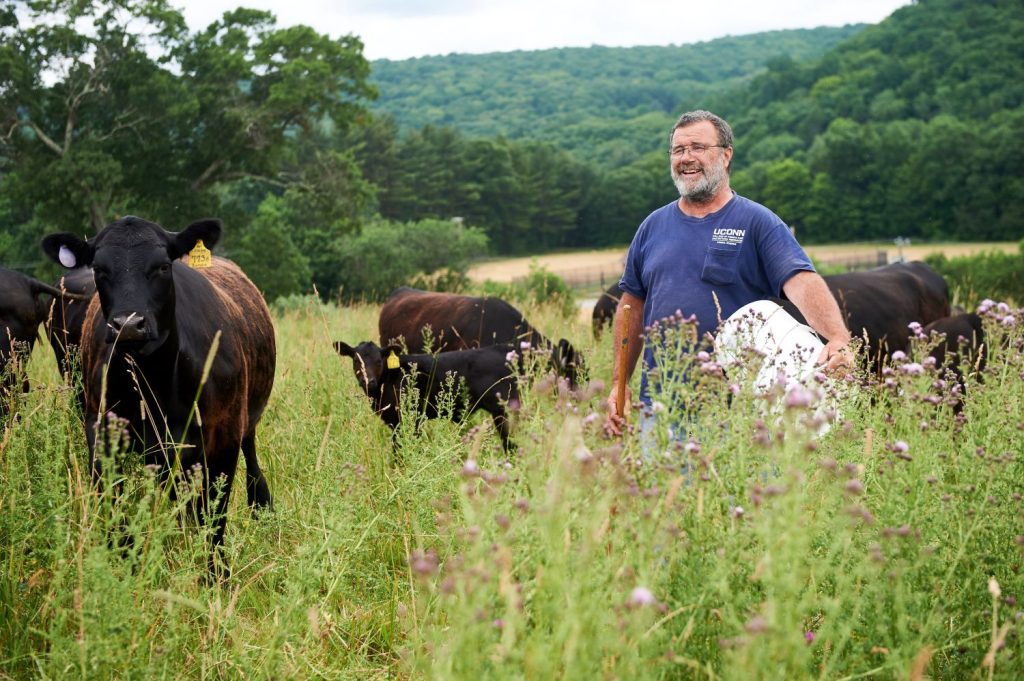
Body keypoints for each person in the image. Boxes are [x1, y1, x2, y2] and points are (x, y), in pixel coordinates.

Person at [605, 110, 853, 437]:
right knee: (666, 490)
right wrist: (619, 385)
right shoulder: (652, 227)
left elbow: (802, 281)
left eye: (697, 147)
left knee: (746, 488)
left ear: (726, 154)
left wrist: (837, 337)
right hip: (661, 407)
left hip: (739, 409)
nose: (686, 158)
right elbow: (631, 306)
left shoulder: (757, 222)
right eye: (678, 150)